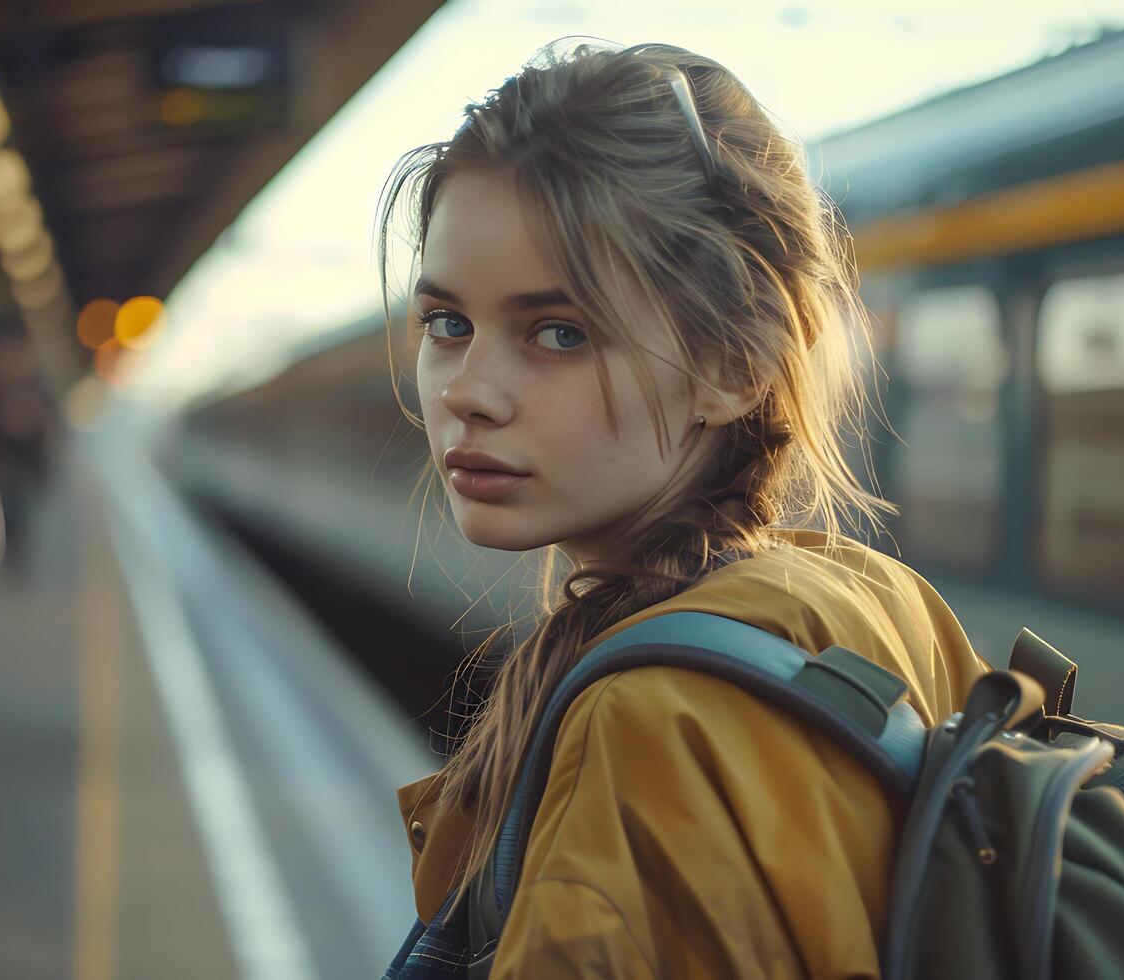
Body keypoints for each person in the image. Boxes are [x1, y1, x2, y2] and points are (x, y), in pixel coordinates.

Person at [376, 41, 990, 978]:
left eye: (558, 333)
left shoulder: (651, 727)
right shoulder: (869, 600)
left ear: (735, 369)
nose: (469, 390)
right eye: (446, 324)